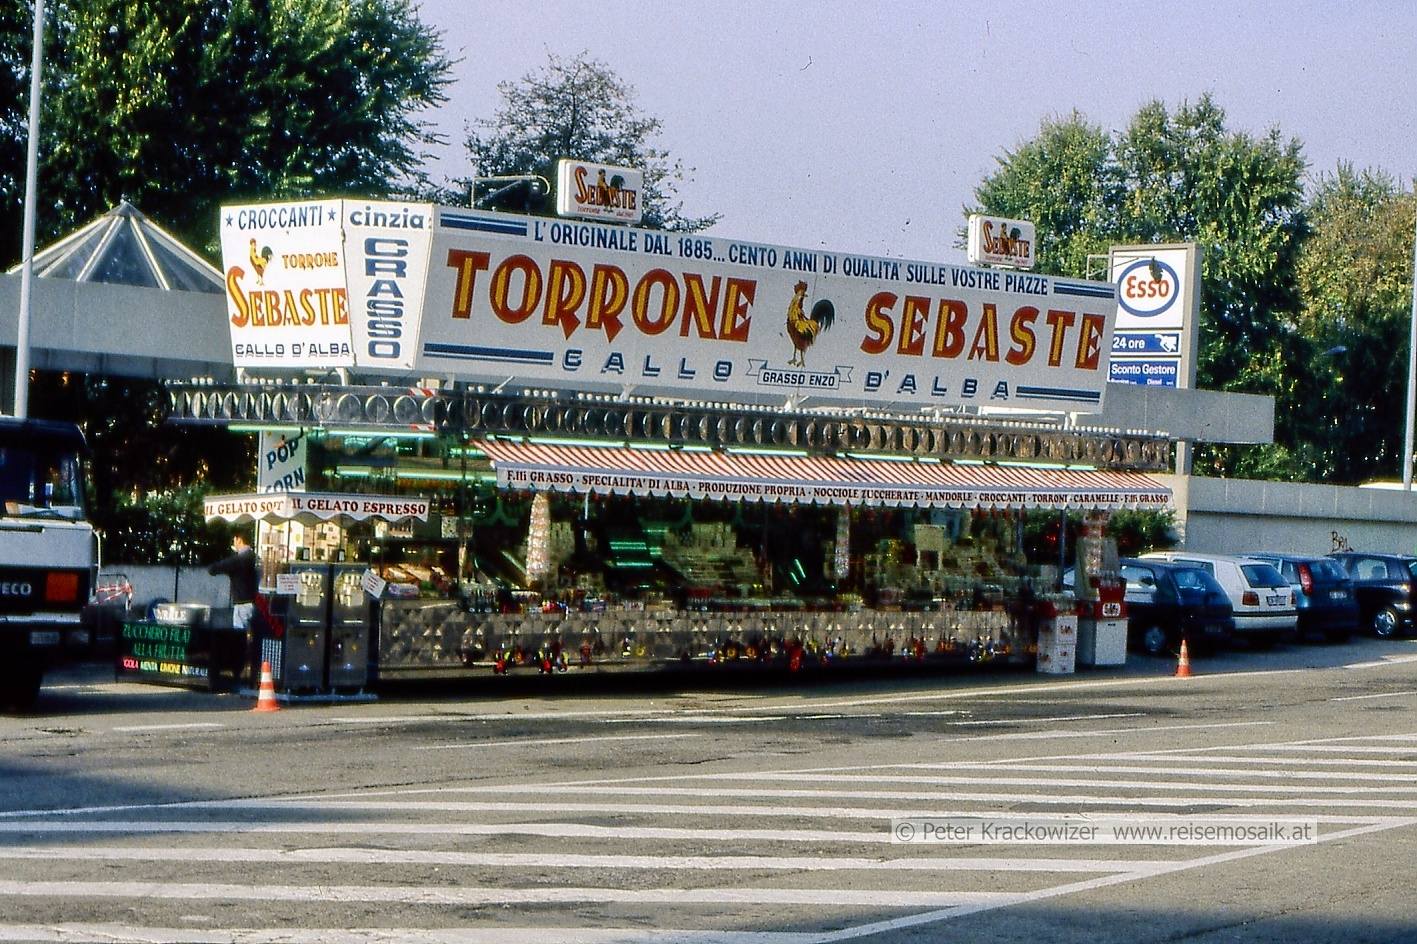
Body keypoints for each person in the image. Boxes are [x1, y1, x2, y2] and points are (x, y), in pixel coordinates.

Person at [209, 533, 259, 630]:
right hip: (253, 602)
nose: (234, 543)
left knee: (240, 635)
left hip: (242, 604)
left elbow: (213, 569)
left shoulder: (240, 559)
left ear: (239, 539)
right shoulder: (253, 556)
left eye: (234, 540)